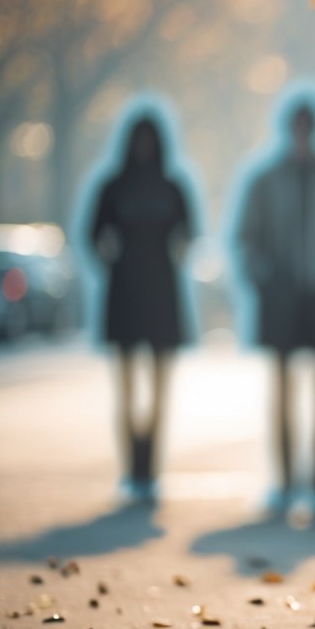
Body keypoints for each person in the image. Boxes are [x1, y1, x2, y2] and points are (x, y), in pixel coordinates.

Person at [235, 98, 315, 522]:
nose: (303, 137)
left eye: (309, 128)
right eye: (297, 128)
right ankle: (287, 483)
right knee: (282, 393)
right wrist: (266, 280)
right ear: (288, 130)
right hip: (282, 297)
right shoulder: (265, 179)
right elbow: (247, 237)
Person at [88, 112, 195, 505]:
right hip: (125, 295)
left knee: (160, 392)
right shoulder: (113, 188)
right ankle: (132, 468)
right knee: (128, 390)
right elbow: (93, 234)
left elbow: (188, 233)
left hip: (162, 296)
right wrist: (114, 261)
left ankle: (151, 468)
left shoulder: (173, 187)